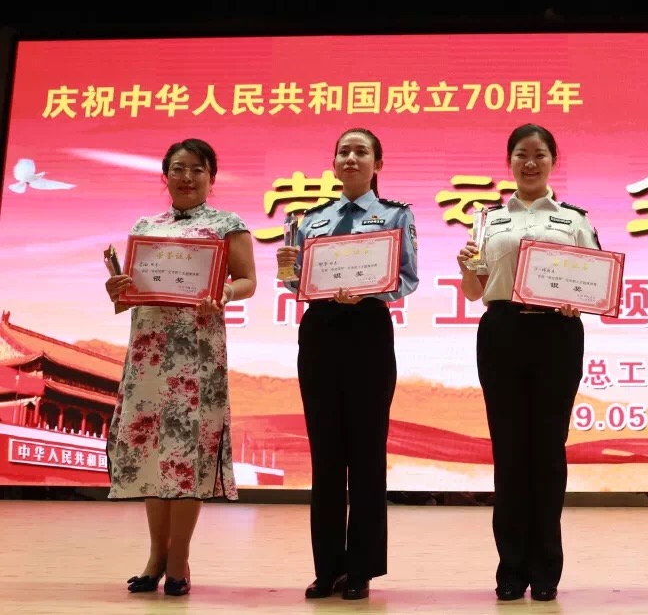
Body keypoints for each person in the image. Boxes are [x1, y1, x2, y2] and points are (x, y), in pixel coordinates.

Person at [104, 139, 257, 597]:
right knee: (152, 452)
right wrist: (117, 287)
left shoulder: (228, 225)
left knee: (186, 454)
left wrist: (225, 292)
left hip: (197, 351)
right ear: (165, 175)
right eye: (178, 168)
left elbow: (247, 281)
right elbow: (132, 290)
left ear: (212, 176)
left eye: (197, 169)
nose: (187, 177)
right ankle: (155, 556)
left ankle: (179, 559)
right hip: (149, 350)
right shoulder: (145, 226)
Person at [456, 123, 599, 603]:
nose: (530, 162)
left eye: (539, 154)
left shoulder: (574, 220)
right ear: (510, 161)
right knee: (510, 451)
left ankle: (546, 569)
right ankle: (511, 568)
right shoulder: (489, 220)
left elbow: (595, 283)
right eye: (521, 154)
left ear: (553, 161)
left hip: (557, 335)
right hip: (502, 333)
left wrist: (578, 300)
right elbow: (474, 291)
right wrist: (465, 268)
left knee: (549, 451)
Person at [276, 127, 419, 601]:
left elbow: (407, 278)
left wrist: (369, 290)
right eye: (344, 151)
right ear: (334, 163)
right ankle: (327, 568)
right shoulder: (311, 219)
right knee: (326, 454)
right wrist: (288, 269)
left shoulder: (396, 215)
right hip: (320, 331)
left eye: (361, 152)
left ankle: (360, 568)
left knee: (366, 453)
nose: (351, 158)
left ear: (378, 163)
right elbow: (297, 283)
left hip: (368, 330)